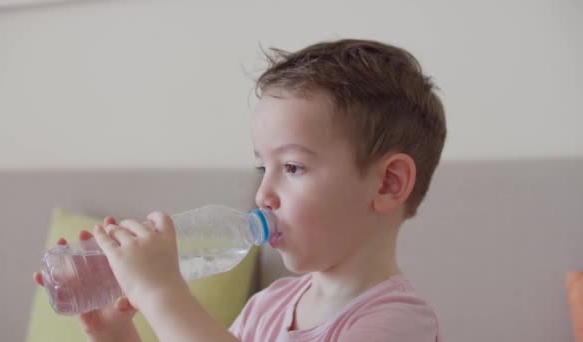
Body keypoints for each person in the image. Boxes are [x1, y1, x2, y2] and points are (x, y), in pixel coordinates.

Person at [34, 38, 447, 341]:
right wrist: (116, 334)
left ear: (389, 184)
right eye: (261, 166)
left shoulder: (398, 323)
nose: (263, 193)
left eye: (292, 166)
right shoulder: (267, 307)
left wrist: (161, 293)